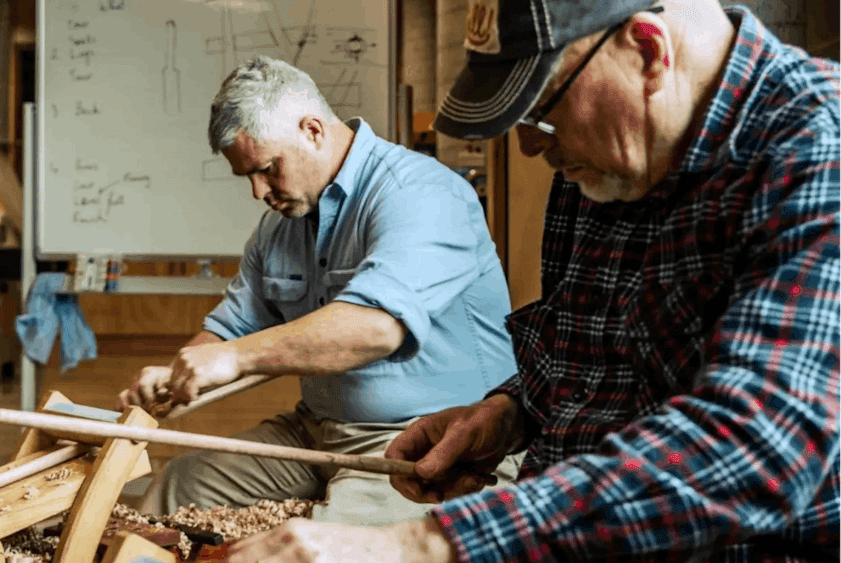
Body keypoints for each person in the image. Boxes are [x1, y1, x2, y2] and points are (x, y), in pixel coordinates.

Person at [221, 0, 841, 560]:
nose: (526, 148)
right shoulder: (607, 158)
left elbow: (756, 444)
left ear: (649, 51)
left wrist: (423, 545)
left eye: (541, 114)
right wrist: (507, 413)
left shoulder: (818, 145)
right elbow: (584, 351)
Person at [118, 55, 525, 526]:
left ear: (312, 130)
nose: (258, 191)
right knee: (177, 486)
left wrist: (235, 359)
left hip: (431, 440)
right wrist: (176, 376)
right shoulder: (278, 228)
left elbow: (375, 328)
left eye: (268, 168)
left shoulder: (422, 192)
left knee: (331, 547)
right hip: (315, 432)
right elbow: (233, 329)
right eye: (247, 175)